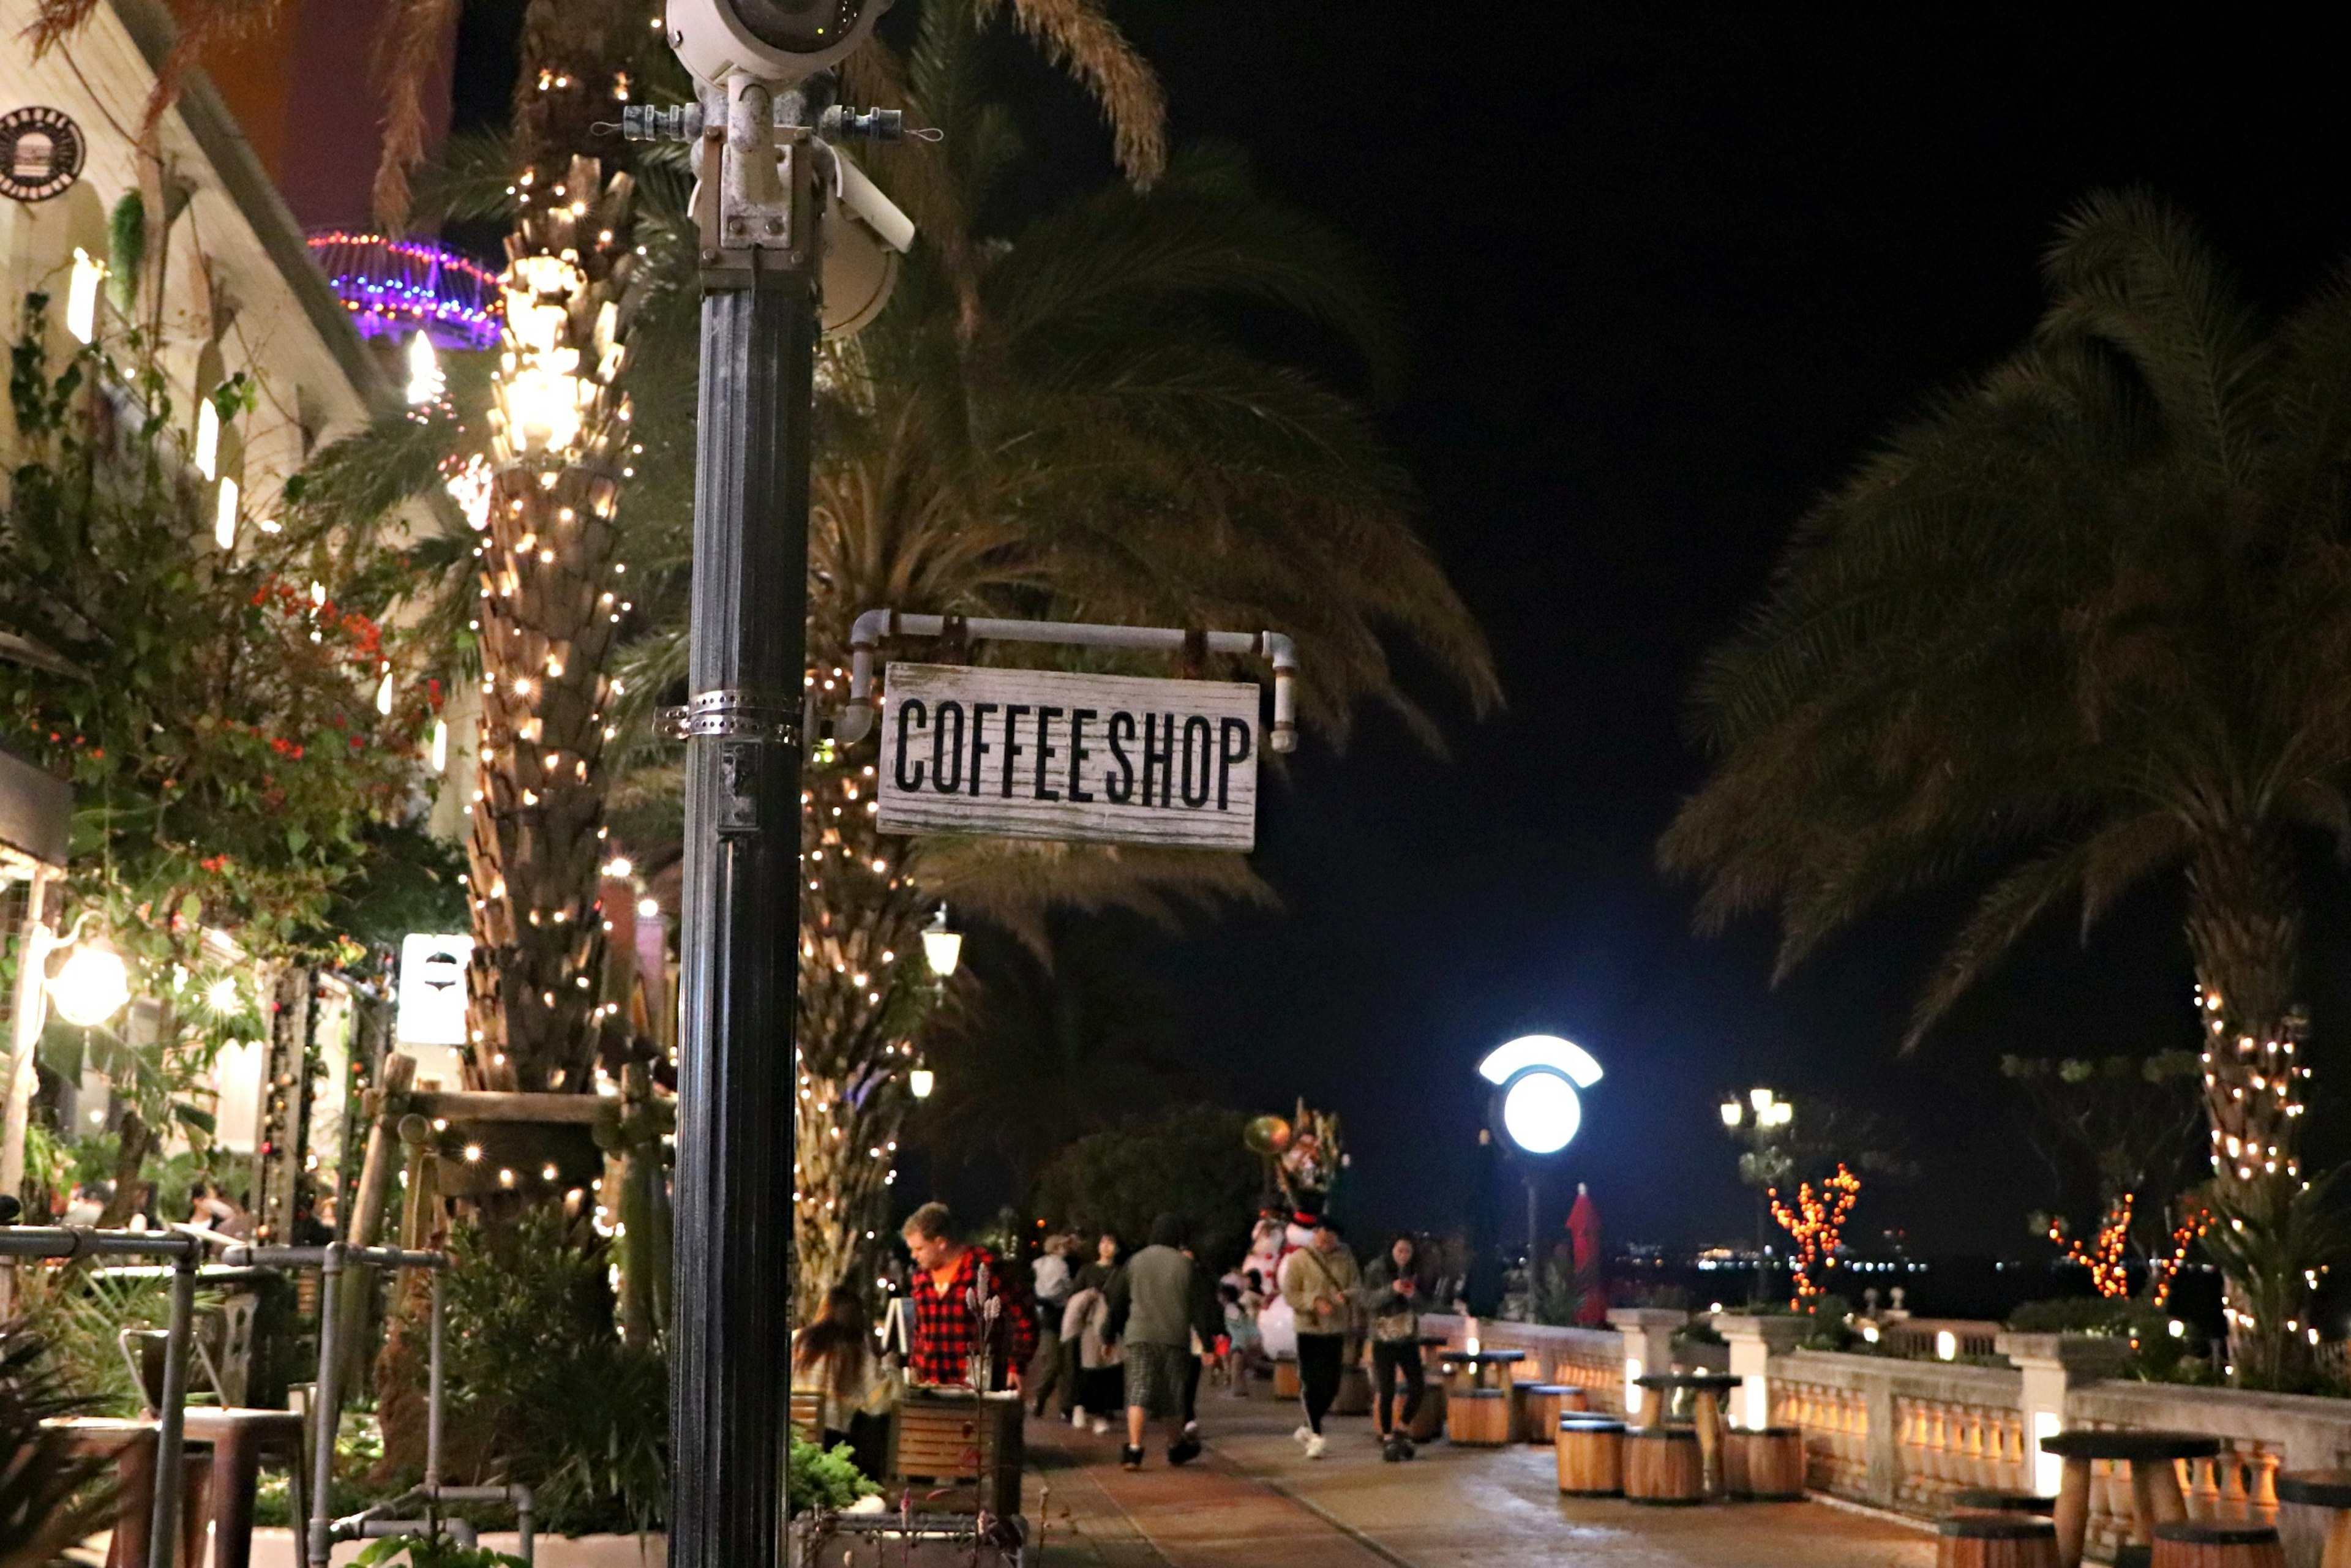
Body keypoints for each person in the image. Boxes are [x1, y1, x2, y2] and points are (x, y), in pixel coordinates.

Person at [900, 1202, 1036, 1389]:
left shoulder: (985, 1268)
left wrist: (1017, 1366)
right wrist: (914, 1366)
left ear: (941, 1243)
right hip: (930, 1386)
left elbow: (1024, 1317)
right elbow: (921, 1329)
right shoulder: (921, 1278)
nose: (914, 1256)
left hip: (975, 1386)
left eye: (920, 1249)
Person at [1104, 1213, 1203, 1470]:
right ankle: (1175, 1446)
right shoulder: (1185, 1264)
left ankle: (1135, 1451)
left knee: (1138, 1391)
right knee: (1172, 1395)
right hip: (1174, 1337)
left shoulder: (1134, 1262)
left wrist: (1108, 1334)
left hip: (1139, 1335)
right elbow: (1201, 1306)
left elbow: (1117, 1302)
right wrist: (1210, 1340)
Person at [1277, 1215, 1360, 1458]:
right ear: (1315, 1234)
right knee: (1312, 1382)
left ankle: (1307, 1426)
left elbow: (1357, 1286)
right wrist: (1314, 1302)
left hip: (1335, 1329)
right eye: (1321, 1234)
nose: (1325, 1240)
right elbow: (1290, 1294)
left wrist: (1346, 1296)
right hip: (1309, 1329)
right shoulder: (1299, 1259)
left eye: (1330, 1236)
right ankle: (1316, 1434)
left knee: (1332, 1385)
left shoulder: (1346, 1259)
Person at [792, 1286, 892, 1478]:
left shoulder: (796, 1340)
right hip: (831, 1448)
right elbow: (879, 1405)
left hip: (792, 1440)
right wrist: (890, 1369)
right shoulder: (858, 1354)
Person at [1360, 1232, 1430, 1460]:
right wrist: (1392, 1289)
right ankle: (1388, 1437)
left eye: (1408, 1252)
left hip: (1408, 1337)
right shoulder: (1376, 1269)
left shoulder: (1416, 1271)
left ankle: (1402, 1428)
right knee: (1387, 1389)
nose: (1403, 1256)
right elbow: (1368, 1301)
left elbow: (1423, 1308)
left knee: (1418, 1386)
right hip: (1384, 1337)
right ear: (1391, 1250)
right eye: (1399, 1251)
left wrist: (1412, 1295)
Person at [1061, 1275, 1120, 1433]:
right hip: (1090, 1336)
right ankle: (1091, 1413)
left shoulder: (1089, 1295)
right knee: (1094, 1376)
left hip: (1084, 1335)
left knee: (1090, 1375)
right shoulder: (1096, 1297)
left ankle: (1083, 1410)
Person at [1029, 1234, 1076, 1416]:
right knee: (1057, 1364)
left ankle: (1063, 1405)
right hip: (1056, 1317)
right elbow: (1068, 1286)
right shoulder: (1061, 1266)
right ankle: (1041, 1398)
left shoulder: (1039, 1264)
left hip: (1052, 1316)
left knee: (1061, 1364)